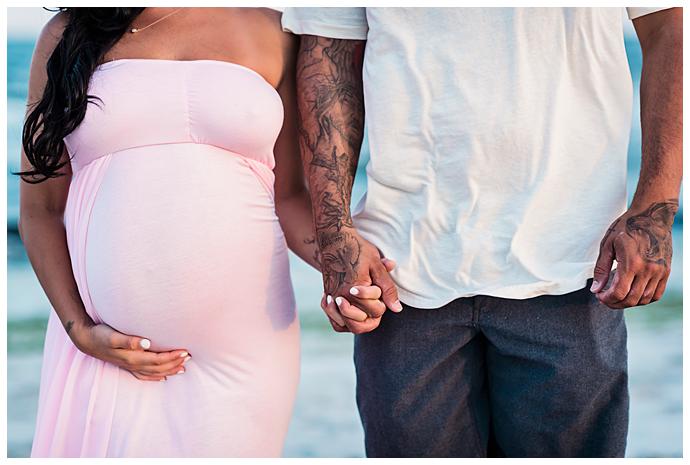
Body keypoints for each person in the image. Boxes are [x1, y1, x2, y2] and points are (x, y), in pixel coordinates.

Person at [283, 7, 682, 458]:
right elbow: (329, 52)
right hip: (404, 274)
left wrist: (655, 206)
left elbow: (670, 26)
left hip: (573, 266)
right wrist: (336, 235)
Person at [19, 7, 388, 457]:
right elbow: (41, 211)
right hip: (110, 349)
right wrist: (79, 329)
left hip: (244, 352)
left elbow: (288, 198)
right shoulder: (67, 36)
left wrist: (345, 266)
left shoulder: (275, 30)